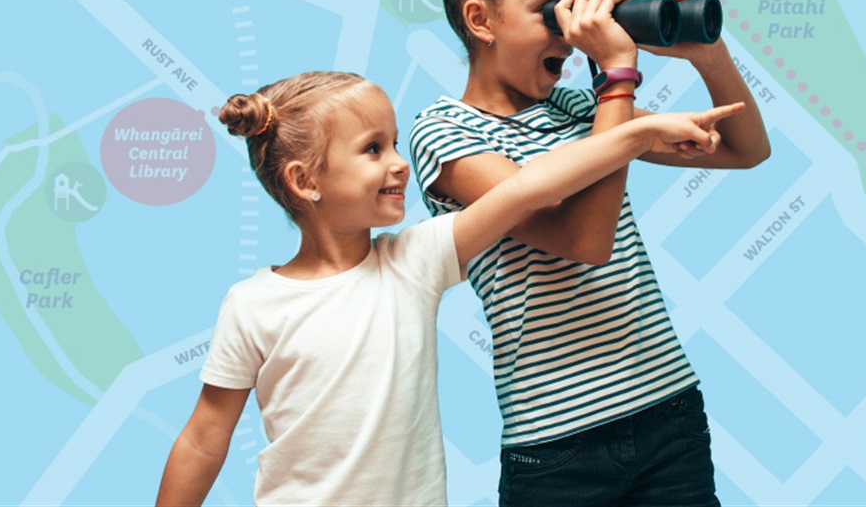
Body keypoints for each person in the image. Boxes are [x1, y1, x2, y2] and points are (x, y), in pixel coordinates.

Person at [153, 70, 743, 506]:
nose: (400, 162)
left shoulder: (415, 259)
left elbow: (526, 190)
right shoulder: (253, 304)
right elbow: (204, 439)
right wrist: (635, 133)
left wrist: (635, 133)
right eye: (373, 149)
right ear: (305, 180)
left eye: (394, 142)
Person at [410, 0, 772, 506]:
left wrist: (706, 54)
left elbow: (744, 150)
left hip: (667, 405)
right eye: (552, 11)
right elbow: (584, 241)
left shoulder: (580, 110)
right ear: (480, 20)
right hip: (557, 439)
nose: (570, 32)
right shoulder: (447, 133)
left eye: (578, 7)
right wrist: (617, 76)